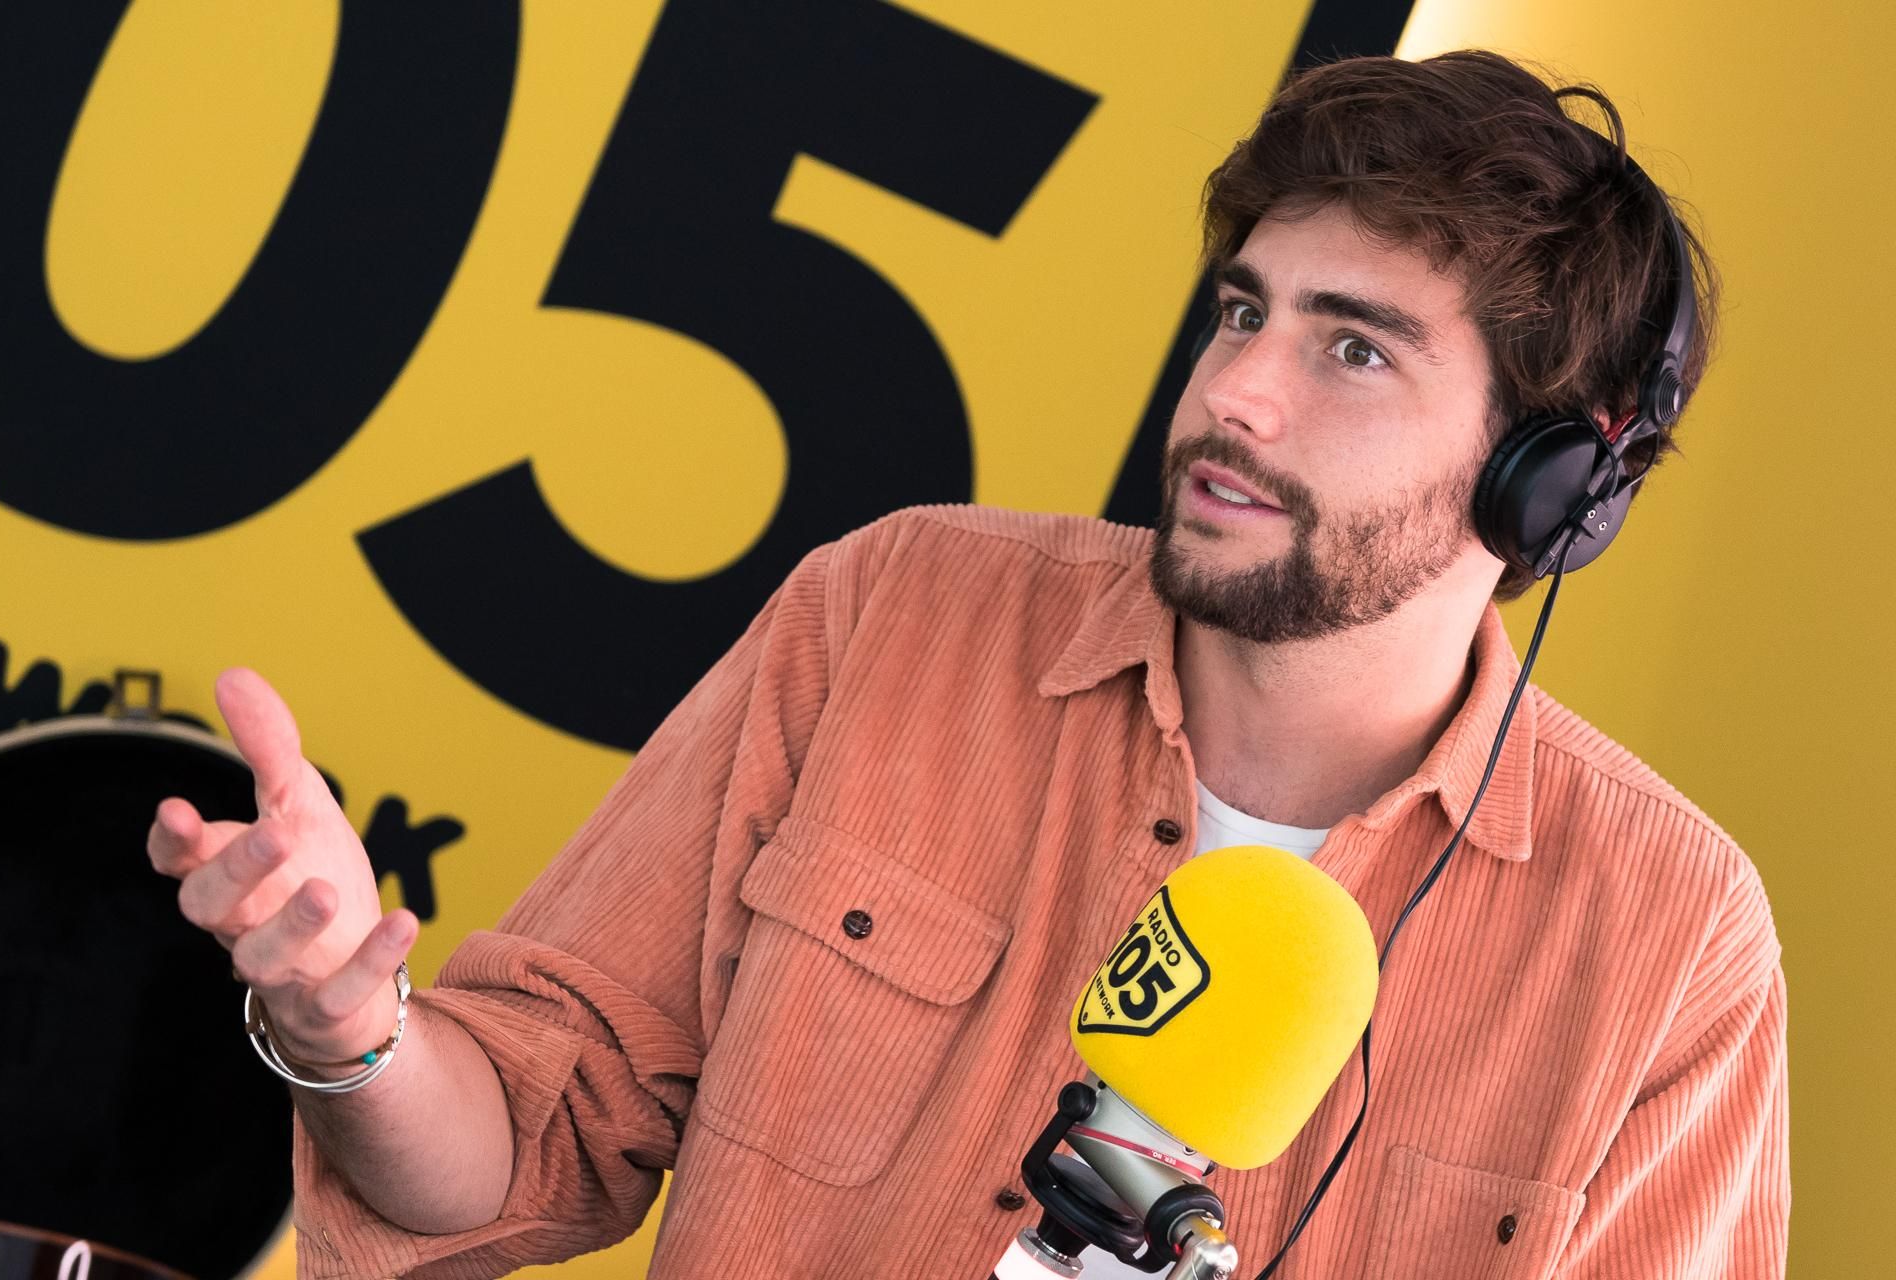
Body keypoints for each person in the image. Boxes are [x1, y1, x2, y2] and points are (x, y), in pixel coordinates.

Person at [147, 50, 1788, 1280]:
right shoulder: (898, 611)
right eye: (1243, 312)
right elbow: (528, 1140)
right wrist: (349, 1027)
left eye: (1353, 349)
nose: (1235, 393)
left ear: (1550, 483)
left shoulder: (1669, 941)